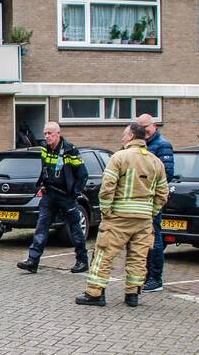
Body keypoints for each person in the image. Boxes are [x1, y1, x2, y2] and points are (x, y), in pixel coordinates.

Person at [76, 123, 168, 308]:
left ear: (132, 135)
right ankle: (132, 295)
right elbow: (162, 193)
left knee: (103, 254)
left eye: (125, 134)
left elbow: (107, 187)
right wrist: (151, 212)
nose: (122, 138)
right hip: (143, 220)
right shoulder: (156, 161)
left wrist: (106, 211)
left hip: (119, 217)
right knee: (138, 257)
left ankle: (95, 294)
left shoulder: (119, 157)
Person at [17, 122, 89, 274]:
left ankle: (82, 261)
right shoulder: (45, 147)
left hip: (66, 196)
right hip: (49, 194)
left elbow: (82, 174)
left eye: (50, 133)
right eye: (45, 133)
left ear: (58, 133)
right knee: (41, 227)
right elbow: (45, 167)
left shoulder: (70, 150)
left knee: (75, 228)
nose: (47, 136)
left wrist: (74, 193)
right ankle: (33, 261)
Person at [138, 113, 175, 293]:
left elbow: (167, 174)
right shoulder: (141, 145)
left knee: (155, 238)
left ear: (154, 126)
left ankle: (155, 278)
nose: (144, 132)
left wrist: (144, 181)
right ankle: (145, 275)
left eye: (146, 128)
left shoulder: (162, 145)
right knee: (142, 240)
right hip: (140, 199)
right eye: (141, 128)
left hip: (152, 199)